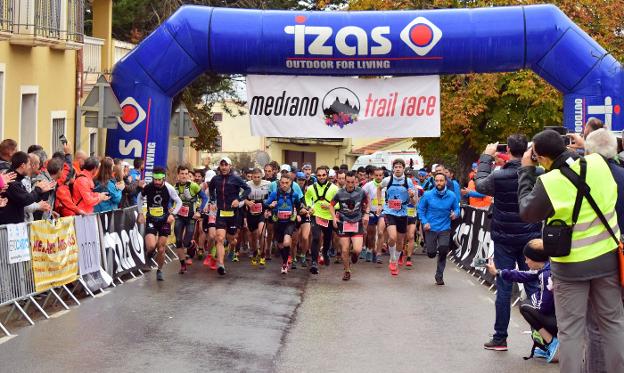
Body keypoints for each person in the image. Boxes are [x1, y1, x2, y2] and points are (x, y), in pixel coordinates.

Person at [517, 129, 624, 373]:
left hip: (569, 266)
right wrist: (584, 144)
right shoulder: (598, 163)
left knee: (571, 331)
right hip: (607, 259)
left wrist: (525, 171)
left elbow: (527, 211)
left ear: (540, 158)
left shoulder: (549, 183)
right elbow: (598, 153)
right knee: (613, 325)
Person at [476, 134, 541, 351]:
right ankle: (542, 338)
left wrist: (486, 157)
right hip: (529, 237)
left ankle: (500, 337)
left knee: (504, 286)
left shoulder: (498, 175)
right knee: (533, 285)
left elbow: (480, 185)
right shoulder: (536, 173)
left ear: (508, 150)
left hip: (504, 237)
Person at [485, 239, 559, 363]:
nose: (525, 262)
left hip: (559, 319)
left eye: (527, 259)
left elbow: (544, 307)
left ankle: (552, 342)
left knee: (525, 306)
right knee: (530, 305)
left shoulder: (546, 275)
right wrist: (498, 272)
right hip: (561, 316)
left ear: (535, 258)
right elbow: (521, 275)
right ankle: (547, 344)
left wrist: (534, 297)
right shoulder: (546, 267)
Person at [137, 167, 182, 281]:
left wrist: (173, 214)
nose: (156, 182)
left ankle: (159, 270)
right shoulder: (148, 187)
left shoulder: (169, 188)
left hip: (164, 220)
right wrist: (141, 213)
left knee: (161, 248)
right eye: (154, 180)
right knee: (151, 246)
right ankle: (150, 253)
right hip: (151, 219)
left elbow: (179, 202)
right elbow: (139, 198)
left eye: (159, 180)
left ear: (163, 178)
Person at [208, 156, 251, 275]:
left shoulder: (236, 178)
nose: (224, 167)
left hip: (233, 214)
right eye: (222, 165)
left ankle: (232, 245)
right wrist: (212, 201)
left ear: (230, 166)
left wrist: (239, 199)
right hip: (221, 213)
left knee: (232, 239)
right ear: (219, 167)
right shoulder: (215, 179)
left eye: (226, 165)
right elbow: (211, 190)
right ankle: (221, 264)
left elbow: (247, 189)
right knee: (220, 238)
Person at [417, 172, 459, 285]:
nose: (439, 183)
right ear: (434, 181)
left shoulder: (451, 195)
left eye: (441, 180)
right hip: (430, 228)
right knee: (431, 253)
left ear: (445, 182)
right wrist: (424, 222)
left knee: (443, 250)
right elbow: (420, 209)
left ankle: (439, 275)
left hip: (445, 227)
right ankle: (431, 250)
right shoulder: (427, 195)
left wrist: (455, 214)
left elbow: (457, 209)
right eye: (437, 180)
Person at [379, 159, 416, 276]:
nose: (398, 169)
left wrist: (412, 196)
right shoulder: (387, 180)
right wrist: (380, 204)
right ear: (393, 169)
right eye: (396, 167)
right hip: (389, 212)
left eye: (400, 167)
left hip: (403, 213)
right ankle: (392, 258)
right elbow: (378, 188)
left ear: (403, 168)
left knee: (400, 242)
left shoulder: (409, 182)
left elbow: (414, 202)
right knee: (393, 237)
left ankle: (396, 259)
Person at [330, 171, 369, 281]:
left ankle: (355, 255)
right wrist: (334, 218)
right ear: (345, 181)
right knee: (345, 249)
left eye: (353, 182)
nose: (350, 185)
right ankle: (347, 270)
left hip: (357, 222)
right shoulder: (340, 193)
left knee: (357, 249)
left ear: (356, 181)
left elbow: (367, 201)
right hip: (343, 223)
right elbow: (331, 205)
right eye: (348, 182)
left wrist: (366, 213)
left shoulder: (361, 192)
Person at [264, 174, 303, 275]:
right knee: (280, 244)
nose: (284, 185)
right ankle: (285, 259)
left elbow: (299, 206)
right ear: (279, 183)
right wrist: (270, 206)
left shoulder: (294, 195)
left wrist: (298, 214)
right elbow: (265, 204)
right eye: (282, 183)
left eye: (287, 183)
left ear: (290, 183)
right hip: (278, 222)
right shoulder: (274, 194)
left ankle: (285, 264)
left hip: (290, 222)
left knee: (286, 242)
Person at [0, 152, 53, 224]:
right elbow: (26, 199)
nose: (30, 167)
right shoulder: (12, 181)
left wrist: (40, 192)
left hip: (15, 225)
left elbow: (27, 198)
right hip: (10, 227)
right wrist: (38, 189)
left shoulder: (18, 180)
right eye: (29, 164)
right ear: (23, 165)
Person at [305, 166, 339, 274]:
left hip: (328, 217)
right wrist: (309, 207)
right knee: (315, 237)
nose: (321, 177)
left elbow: (339, 203)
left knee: (328, 238)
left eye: (323, 175)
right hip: (316, 215)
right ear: (316, 175)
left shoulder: (334, 188)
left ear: (327, 175)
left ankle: (325, 252)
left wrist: (330, 206)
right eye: (319, 175)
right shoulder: (311, 188)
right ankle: (314, 262)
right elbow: (307, 198)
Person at [173, 165, 202, 274]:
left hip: (191, 217)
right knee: (179, 240)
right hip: (179, 217)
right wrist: (170, 208)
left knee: (186, 241)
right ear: (178, 175)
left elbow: (205, 198)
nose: (184, 176)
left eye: (186, 174)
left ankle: (192, 245)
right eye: (182, 174)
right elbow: (169, 200)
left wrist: (199, 211)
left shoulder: (193, 186)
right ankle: (182, 264)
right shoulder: (174, 187)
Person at [246, 168, 271, 267]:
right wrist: (247, 202)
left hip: (262, 209)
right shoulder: (247, 184)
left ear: (262, 176)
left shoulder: (268, 184)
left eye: (258, 177)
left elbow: (273, 194)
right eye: (254, 177)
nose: (256, 179)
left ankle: (263, 255)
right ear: (252, 177)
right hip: (251, 211)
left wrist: (269, 207)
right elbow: (240, 196)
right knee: (253, 236)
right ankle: (255, 252)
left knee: (261, 232)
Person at [362, 167, 385, 264]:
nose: (379, 177)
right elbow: (361, 195)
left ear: (383, 175)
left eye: (380, 175)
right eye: (377, 175)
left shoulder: (386, 185)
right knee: (370, 234)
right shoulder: (368, 185)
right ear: (373, 175)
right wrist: (365, 207)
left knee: (380, 233)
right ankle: (369, 250)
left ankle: (378, 253)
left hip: (383, 212)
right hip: (371, 212)